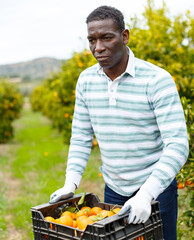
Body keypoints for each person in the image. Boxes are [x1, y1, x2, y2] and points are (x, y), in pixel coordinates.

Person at [50, 6, 189, 240]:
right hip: (114, 190)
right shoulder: (86, 81)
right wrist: (70, 183)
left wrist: (146, 194)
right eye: (92, 40)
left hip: (156, 189)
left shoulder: (156, 80)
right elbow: (81, 137)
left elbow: (177, 145)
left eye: (106, 37)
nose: (98, 47)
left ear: (124, 36)